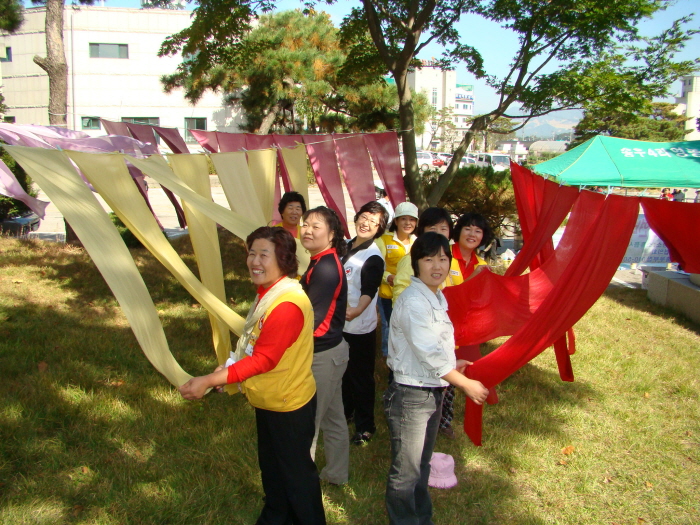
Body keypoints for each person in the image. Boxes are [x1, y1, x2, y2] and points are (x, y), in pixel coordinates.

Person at [179, 226, 326, 525]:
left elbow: (263, 360)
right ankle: (275, 516)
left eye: (264, 254)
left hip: (288, 405)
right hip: (270, 400)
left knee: (297, 480)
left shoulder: (287, 305)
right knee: (274, 472)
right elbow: (252, 342)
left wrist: (210, 380)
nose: (254, 261)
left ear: (284, 260)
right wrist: (229, 366)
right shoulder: (269, 293)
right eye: (251, 253)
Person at [384, 232, 489, 525]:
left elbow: (429, 348)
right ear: (415, 264)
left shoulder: (435, 295)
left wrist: (452, 363)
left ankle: (422, 518)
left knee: (420, 465)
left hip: (431, 389)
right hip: (411, 395)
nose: (437, 266)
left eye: (443, 258)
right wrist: (465, 383)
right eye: (428, 259)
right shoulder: (414, 301)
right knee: (407, 471)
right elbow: (428, 354)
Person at [300, 206, 350, 485]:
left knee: (309, 423)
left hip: (323, 355)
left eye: (315, 226)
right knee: (333, 417)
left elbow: (315, 322)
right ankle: (336, 475)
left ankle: (300, 485)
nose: (307, 230)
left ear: (331, 235)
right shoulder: (318, 261)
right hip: (331, 354)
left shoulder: (327, 269)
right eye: (305, 224)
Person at [438, 212, 494, 438]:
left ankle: (445, 419)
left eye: (478, 231)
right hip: (441, 322)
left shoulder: (481, 264)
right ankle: (432, 418)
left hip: (465, 328)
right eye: (468, 228)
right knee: (441, 368)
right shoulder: (444, 255)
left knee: (458, 369)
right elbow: (445, 293)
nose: (472, 234)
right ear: (458, 231)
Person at [341, 201, 388, 446]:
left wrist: (358, 309)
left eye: (374, 221)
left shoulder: (373, 256)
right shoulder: (345, 245)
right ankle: (347, 412)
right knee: (343, 373)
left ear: (379, 229)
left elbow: (369, 288)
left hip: (359, 327)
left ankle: (366, 426)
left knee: (361, 377)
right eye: (365, 216)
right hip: (338, 323)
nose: (367, 223)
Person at [375, 201, 419, 357]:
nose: (408, 223)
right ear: (396, 221)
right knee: (389, 327)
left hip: (411, 295)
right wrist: (389, 277)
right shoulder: (383, 240)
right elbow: (375, 267)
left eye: (412, 219)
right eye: (403, 219)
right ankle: (389, 359)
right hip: (388, 294)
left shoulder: (417, 242)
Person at [391, 207, 454, 302]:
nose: (438, 233)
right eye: (432, 228)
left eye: (443, 229)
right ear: (422, 231)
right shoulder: (411, 259)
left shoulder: (447, 257)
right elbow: (400, 293)